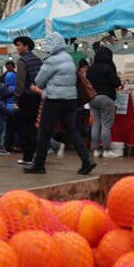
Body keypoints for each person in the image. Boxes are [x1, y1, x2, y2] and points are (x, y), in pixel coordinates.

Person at [24, 32, 95, 175]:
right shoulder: (69, 58)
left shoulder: (51, 61)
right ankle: (87, 160)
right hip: (71, 100)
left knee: (44, 132)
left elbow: (39, 81)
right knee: (72, 131)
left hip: (54, 100)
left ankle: (38, 165)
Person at [13, 36, 43, 166]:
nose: (17, 48)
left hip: (26, 98)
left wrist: (16, 99)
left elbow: (20, 83)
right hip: (37, 96)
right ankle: (34, 155)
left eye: (19, 45)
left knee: (24, 128)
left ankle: (27, 157)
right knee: (33, 127)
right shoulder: (38, 60)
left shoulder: (22, 61)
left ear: (26, 46)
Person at [86, 45, 120, 158]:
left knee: (95, 124)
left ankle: (95, 150)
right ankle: (106, 150)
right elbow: (116, 83)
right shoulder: (108, 68)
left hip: (93, 98)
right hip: (106, 98)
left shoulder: (90, 69)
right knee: (106, 125)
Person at [3, 61, 18, 153]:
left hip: (7, 110)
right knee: (15, 128)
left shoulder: (5, 89)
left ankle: (8, 146)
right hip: (16, 109)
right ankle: (15, 145)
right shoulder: (17, 88)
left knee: (8, 129)